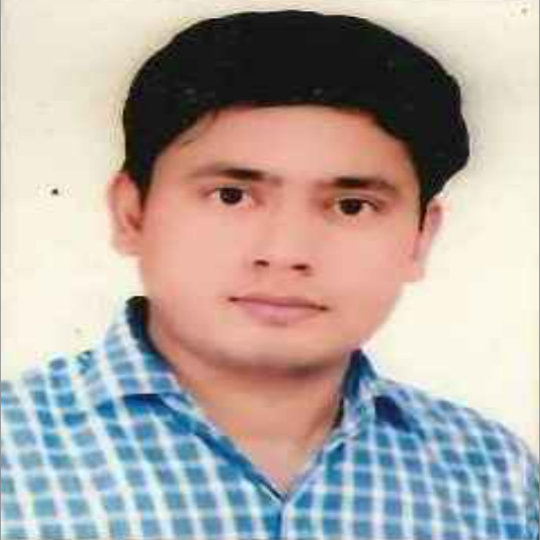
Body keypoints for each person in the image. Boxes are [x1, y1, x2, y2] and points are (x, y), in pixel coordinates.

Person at [1, 10, 538, 540]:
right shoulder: (12, 450)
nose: (285, 253)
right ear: (131, 213)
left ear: (421, 236)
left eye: (352, 206)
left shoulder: (494, 477)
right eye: (231, 196)